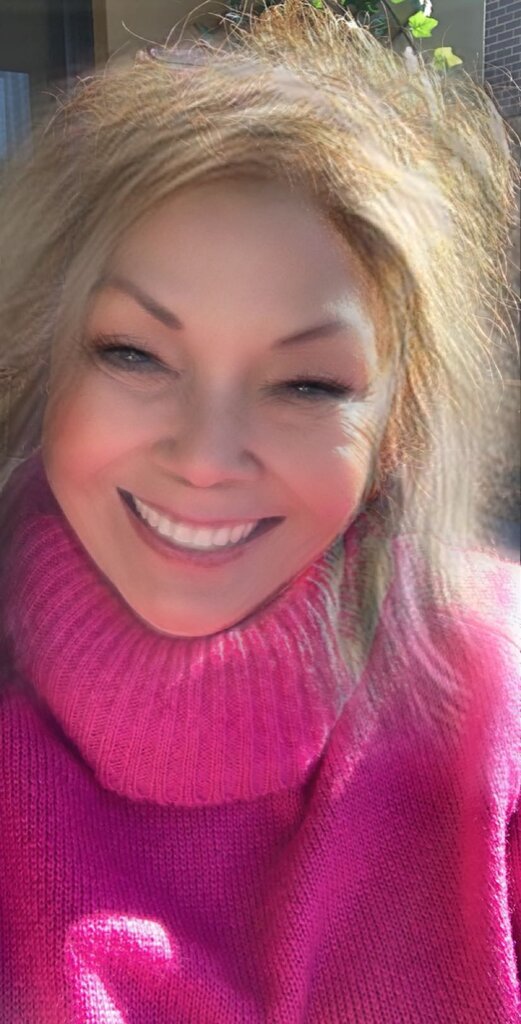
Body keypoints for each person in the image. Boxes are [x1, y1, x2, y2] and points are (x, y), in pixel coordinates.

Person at [0, 2, 519, 1021]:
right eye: (133, 353)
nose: (204, 458)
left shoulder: (496, 711)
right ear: (39, 366)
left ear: (397, 425)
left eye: (306, 384)